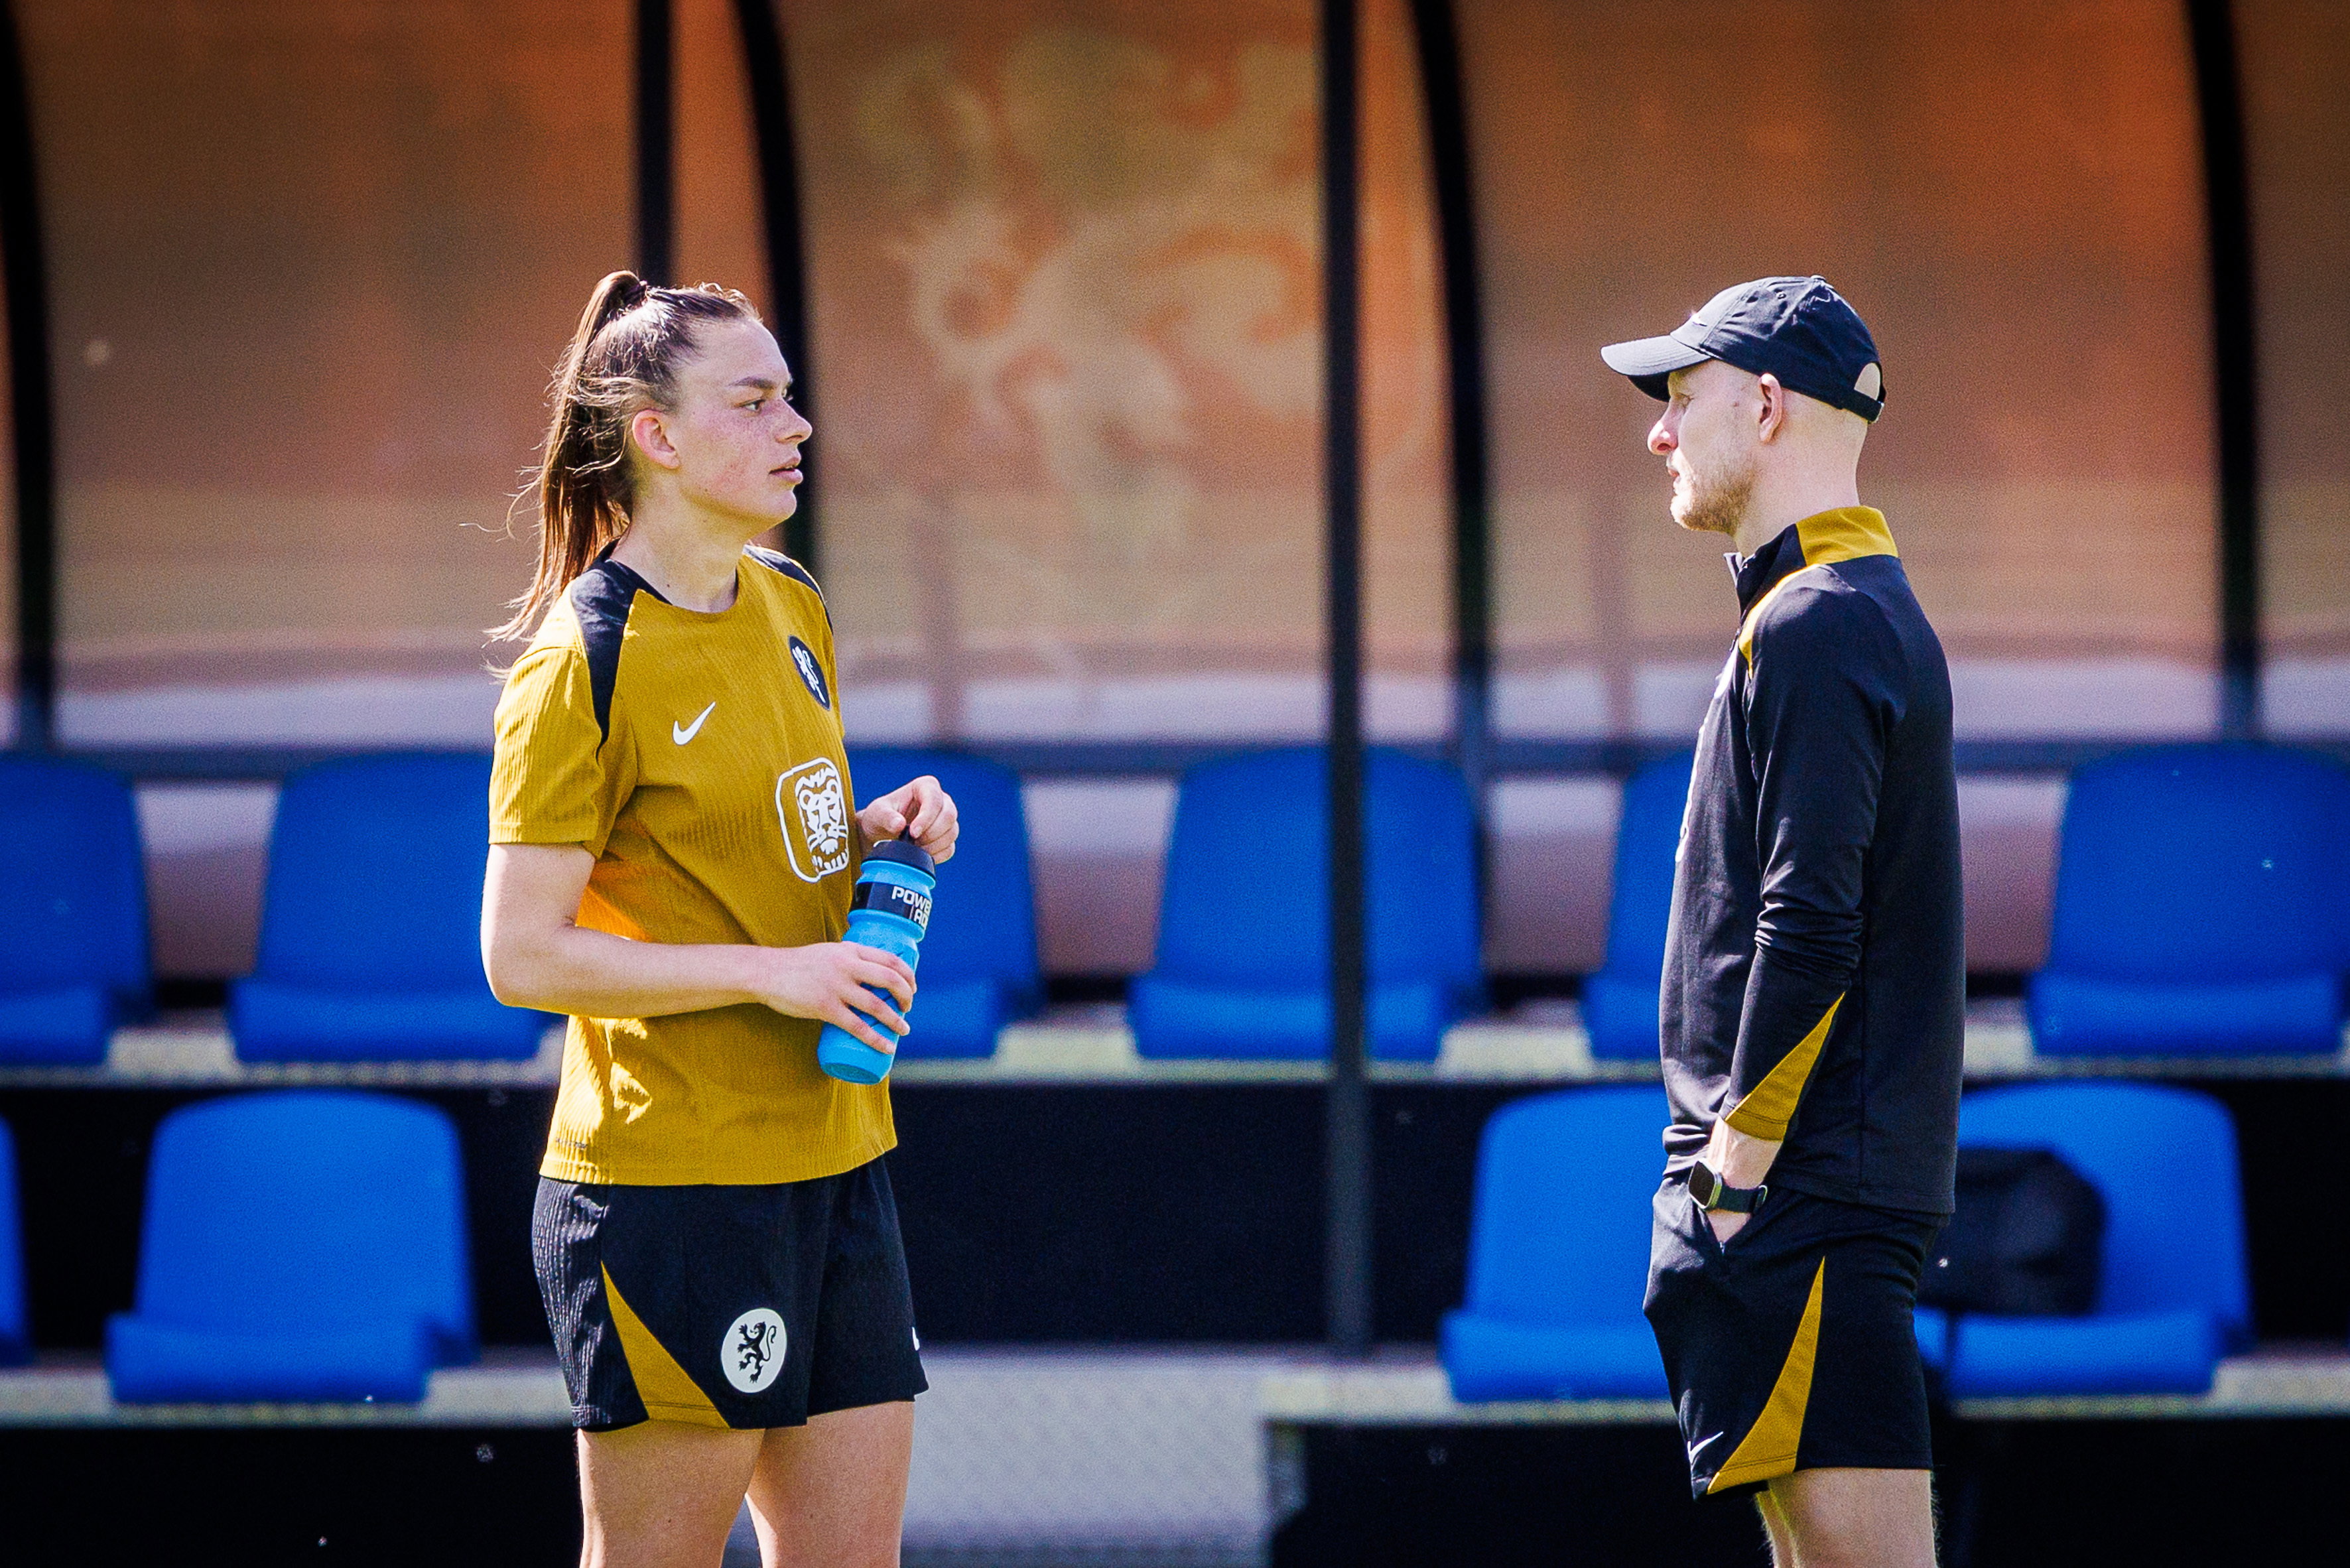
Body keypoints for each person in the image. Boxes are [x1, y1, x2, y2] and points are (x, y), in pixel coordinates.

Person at [481, 272, 957, 1568]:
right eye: (753, 403)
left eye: (790, 398)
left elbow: (759, 840)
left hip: (836, 1163)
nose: (793, 427)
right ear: (659, 438)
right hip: (668, 1193)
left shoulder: (790, 603)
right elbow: (521, 955)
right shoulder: (583, 660)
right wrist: (774, 978)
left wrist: (876, 833)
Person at [1601, 277, 1963, 1568]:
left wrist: (1731, 1173)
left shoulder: (1818, 620)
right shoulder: (1822, 606)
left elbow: (1808, 922)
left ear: (1762, 406)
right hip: (1798, 1187)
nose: (1657, 433)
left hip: (1797, 1188)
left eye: (1679, 400)